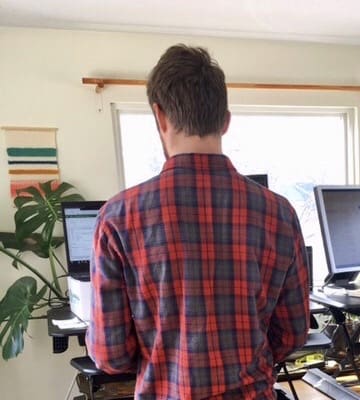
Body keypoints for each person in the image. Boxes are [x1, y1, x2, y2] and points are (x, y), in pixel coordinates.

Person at [86, 44, 310, 399]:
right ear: (225, 120)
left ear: (159, 117)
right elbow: (293, 332)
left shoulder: (117, 218)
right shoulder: (279, 213)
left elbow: (110, 355)